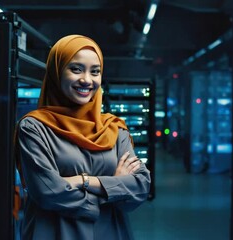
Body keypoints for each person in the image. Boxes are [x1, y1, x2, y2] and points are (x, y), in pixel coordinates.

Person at [15, 34, 151, 240]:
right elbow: (48, 192)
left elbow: (140, 187)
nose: (87, 80)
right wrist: (113, 187)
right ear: (56, 72)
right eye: (76, 69)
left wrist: (83, 181)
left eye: (95, 72)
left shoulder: (114, 128)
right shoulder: (34, 127)